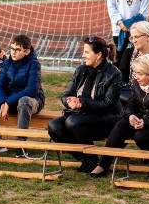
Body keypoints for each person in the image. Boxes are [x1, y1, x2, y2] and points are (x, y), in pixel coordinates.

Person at [89, 55, 149, 179]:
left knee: (141, 136)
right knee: (121, 125)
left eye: (140, 73)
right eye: (136, 73)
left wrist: (146, 122)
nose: (136, 76)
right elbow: (130, 104)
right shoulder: (137, 83)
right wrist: (131, 115)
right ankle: (103, 164)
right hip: (145, 122)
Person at [47, 36, 125, 172]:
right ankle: (86, 159)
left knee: (73, 122)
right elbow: (65, 95)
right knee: (54, 125)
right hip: (81, 114)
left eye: (87, 52)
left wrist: (82, 102)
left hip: (107, 117)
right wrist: (69, 102)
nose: (83, 55)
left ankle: (93, 160)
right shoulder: (81, 70)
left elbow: (108, 104)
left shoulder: (113, 73)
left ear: (99, 55)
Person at [0, 35, 45, 156]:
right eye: (12, 49)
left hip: (32, 101)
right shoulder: (8, 63)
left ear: (27, 51)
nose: (13, 52)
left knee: (24, 101)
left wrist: (8, 102)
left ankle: (21, 144)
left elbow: (32, 90)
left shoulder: (34, 64)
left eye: (17, 50)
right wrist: (3, 101)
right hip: (10, 100)